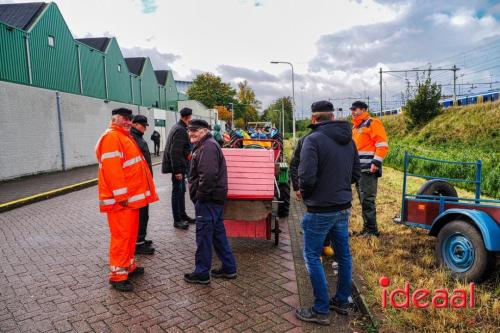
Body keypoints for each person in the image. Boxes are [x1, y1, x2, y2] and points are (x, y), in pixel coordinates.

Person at [295, 101, 360, 325]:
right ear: (332, 118)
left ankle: (320, 309)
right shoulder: (349, 140)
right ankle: (341, 301)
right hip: (343, 207)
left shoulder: (312, 140)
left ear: (314, 119)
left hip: (320, 209)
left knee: (312, 256)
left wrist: (309, 195)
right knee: (344, 256)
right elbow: (355, 174)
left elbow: (306, 176)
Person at [95, 108, 159, 292]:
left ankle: (128, 266)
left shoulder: (123, 136)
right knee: (122, 237)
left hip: (129, 201)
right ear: (115, 119)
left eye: (130, 119)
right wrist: (121, 196)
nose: (128, 121)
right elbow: (112, 170)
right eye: (124, 118)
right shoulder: (112, 137)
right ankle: (118, 276)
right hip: (121, 202)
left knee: (130, 236)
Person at [184, 119, 237, 285]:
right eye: (189, 130)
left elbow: (207, 176)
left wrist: (200, 196)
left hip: (208, 200)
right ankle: (229, 268)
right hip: (214, 199)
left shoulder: (207, 147)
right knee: (217, 234)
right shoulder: (207, 145)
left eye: (195, 130)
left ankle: (202, 273)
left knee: (204, 236)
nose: (191, 133)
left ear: (205, 131)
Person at [350, 101, 389, 237]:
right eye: (352, 109)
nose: (353, 111)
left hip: (369, 169)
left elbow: (382, 144)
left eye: (356, 109)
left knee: (367, 200)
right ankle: (367, 229)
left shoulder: (372, 123)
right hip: (358, 169)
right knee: (363, 200)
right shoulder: (355, 127)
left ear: (364, 109)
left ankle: (372, 231)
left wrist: (376, 163)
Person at [162, 107, 195, 229]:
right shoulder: (180, 130)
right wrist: (177, 171)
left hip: (180, 167)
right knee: (177, 193)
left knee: (181, 192)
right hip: (178, 168)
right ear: (188, 117)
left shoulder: (178, 127)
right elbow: (175, 152)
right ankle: (177, 220)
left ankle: (183, 215)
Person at [130, 115, 155, 255]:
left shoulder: (137, 137)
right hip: (138, 184)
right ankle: (138, 243)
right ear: (134, 124)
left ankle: (141, 239)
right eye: (142, 125)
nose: (145, 128)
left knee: (144, 213)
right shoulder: (133, 139)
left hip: (143, 182)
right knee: (141, 214)